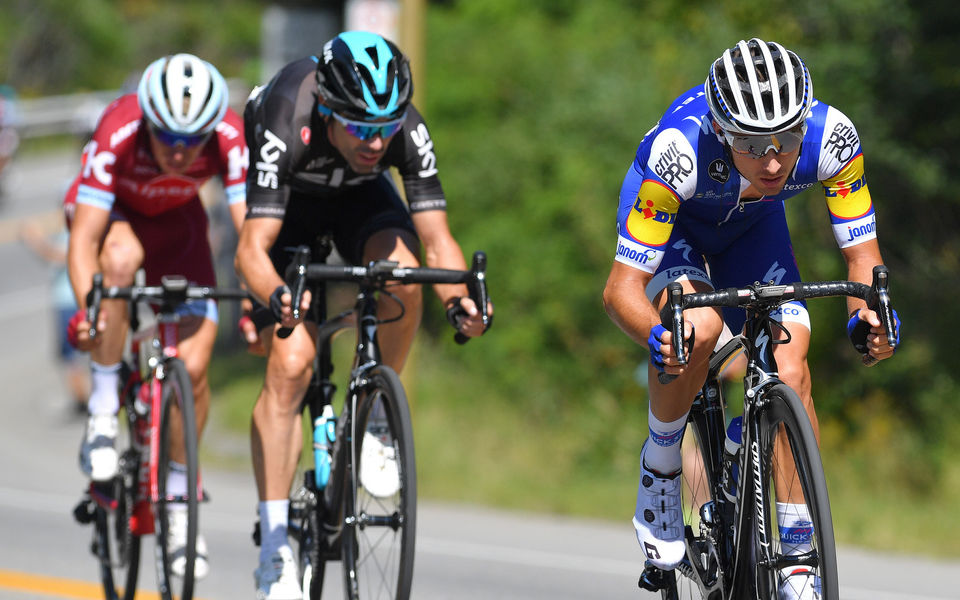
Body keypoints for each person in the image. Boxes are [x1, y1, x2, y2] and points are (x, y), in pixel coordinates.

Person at [602, 39, 899, 600]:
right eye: (750, 143)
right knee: (701, 329)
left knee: (789, 367)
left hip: (753, 229)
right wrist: (660, 337)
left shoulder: (832, 139)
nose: (771, 161)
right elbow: (620, 291)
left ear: (804, 123)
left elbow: (863, 262)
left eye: (785, 142)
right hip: (679, 228)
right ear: (720, 129)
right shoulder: (679, 152)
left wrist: (870, 318)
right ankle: (661, 464)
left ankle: (795, 555)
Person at [235, 31, 489, 599]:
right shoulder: (286, 113)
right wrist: (276, 297)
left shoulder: (403, 126)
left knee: (402, 274)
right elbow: (250, 251)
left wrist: (460, 303)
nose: (376, 141)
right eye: (360, 127)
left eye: (386, 128)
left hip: (358, 199)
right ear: (326, 108)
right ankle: (276, 546)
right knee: (293, 361)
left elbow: (438, 241)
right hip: (286, 209)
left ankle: (376, 418)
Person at [65, 53, 248, 580]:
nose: (179, 150)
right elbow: (84, 242)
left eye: (193, 141)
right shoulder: (120, 127)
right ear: (148, 119)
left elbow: (248, 232)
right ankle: (103, 408)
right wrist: (91, 312)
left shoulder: (228, 136)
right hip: (112, 219)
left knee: (191, 367)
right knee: (119, 262)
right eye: (168, 136)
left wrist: (267, 295)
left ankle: (177, 501)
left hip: (178, 227)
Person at [19, 217, 89, 415]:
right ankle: (83, 400)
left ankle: (83, 402)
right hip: (69, 299)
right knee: (71, 356)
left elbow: (58, 256)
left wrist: (35, 240)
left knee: (72, 356)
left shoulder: (79, 228)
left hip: (70, 300)